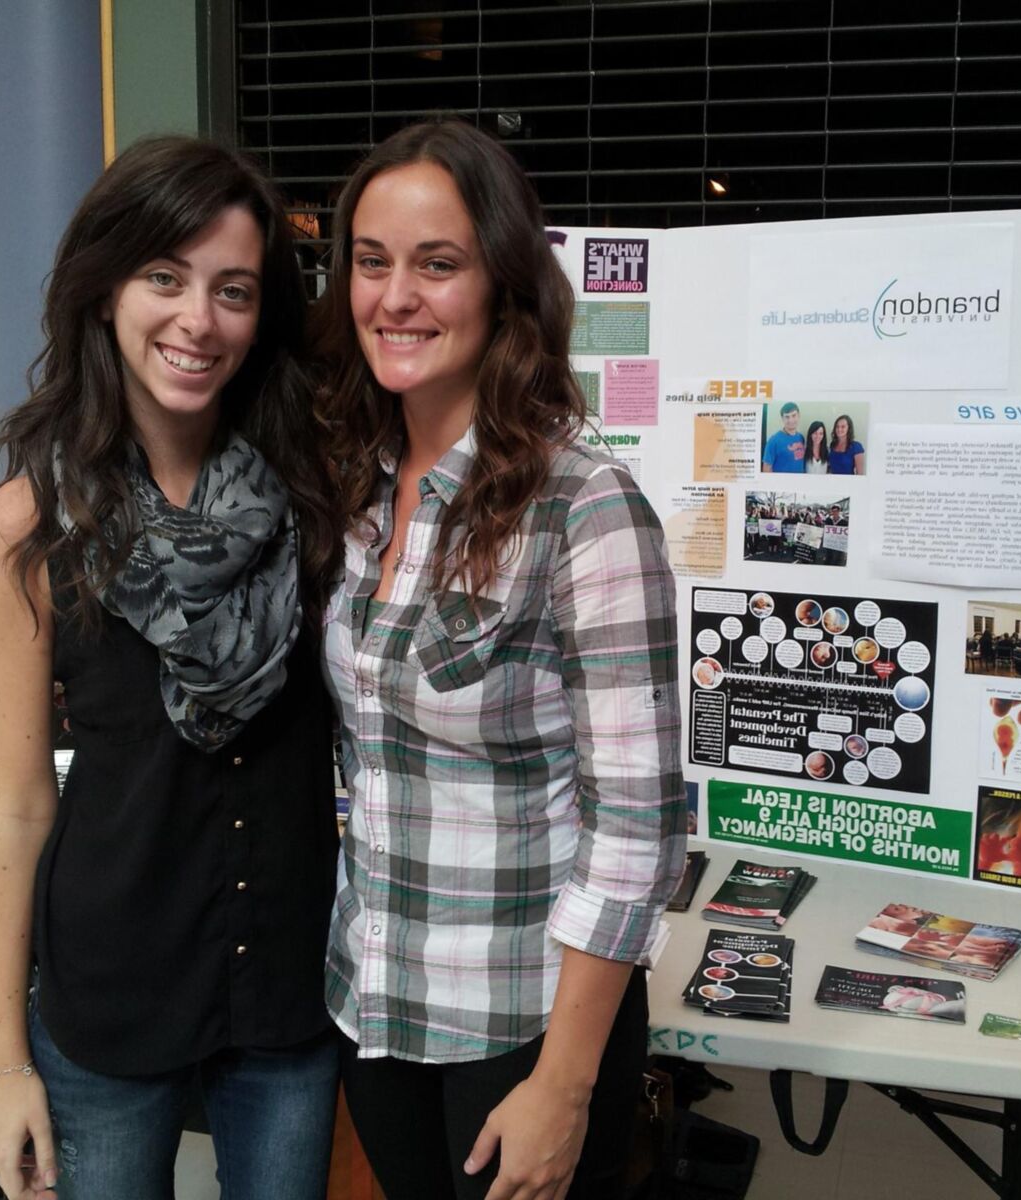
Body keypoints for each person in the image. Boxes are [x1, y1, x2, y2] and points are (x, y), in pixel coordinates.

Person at [310, 117, 686, 1200]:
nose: (395, 297)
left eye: (438, 264)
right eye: (371, 263)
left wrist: (565, 1085)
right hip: (376, 1004)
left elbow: (637, 831)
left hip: (522, 1029)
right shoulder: (359, 483)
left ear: (503, 284)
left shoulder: (583, 505)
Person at [0, 137, 340, 1200]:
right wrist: (6, 1064)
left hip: (286, 986)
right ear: (104, 292)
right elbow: (19, 798)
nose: (198, 321)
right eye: (164, 279)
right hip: (108, 993)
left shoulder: (315, 498)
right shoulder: (29, 526)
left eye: (232, 291)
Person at [761, 400, 805, 472]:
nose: (791, 420)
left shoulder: (801, 437)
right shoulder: (773, 441)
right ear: (782, 418)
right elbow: (766, 469)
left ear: (799, 416)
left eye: (794, 415)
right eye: (787, 417)